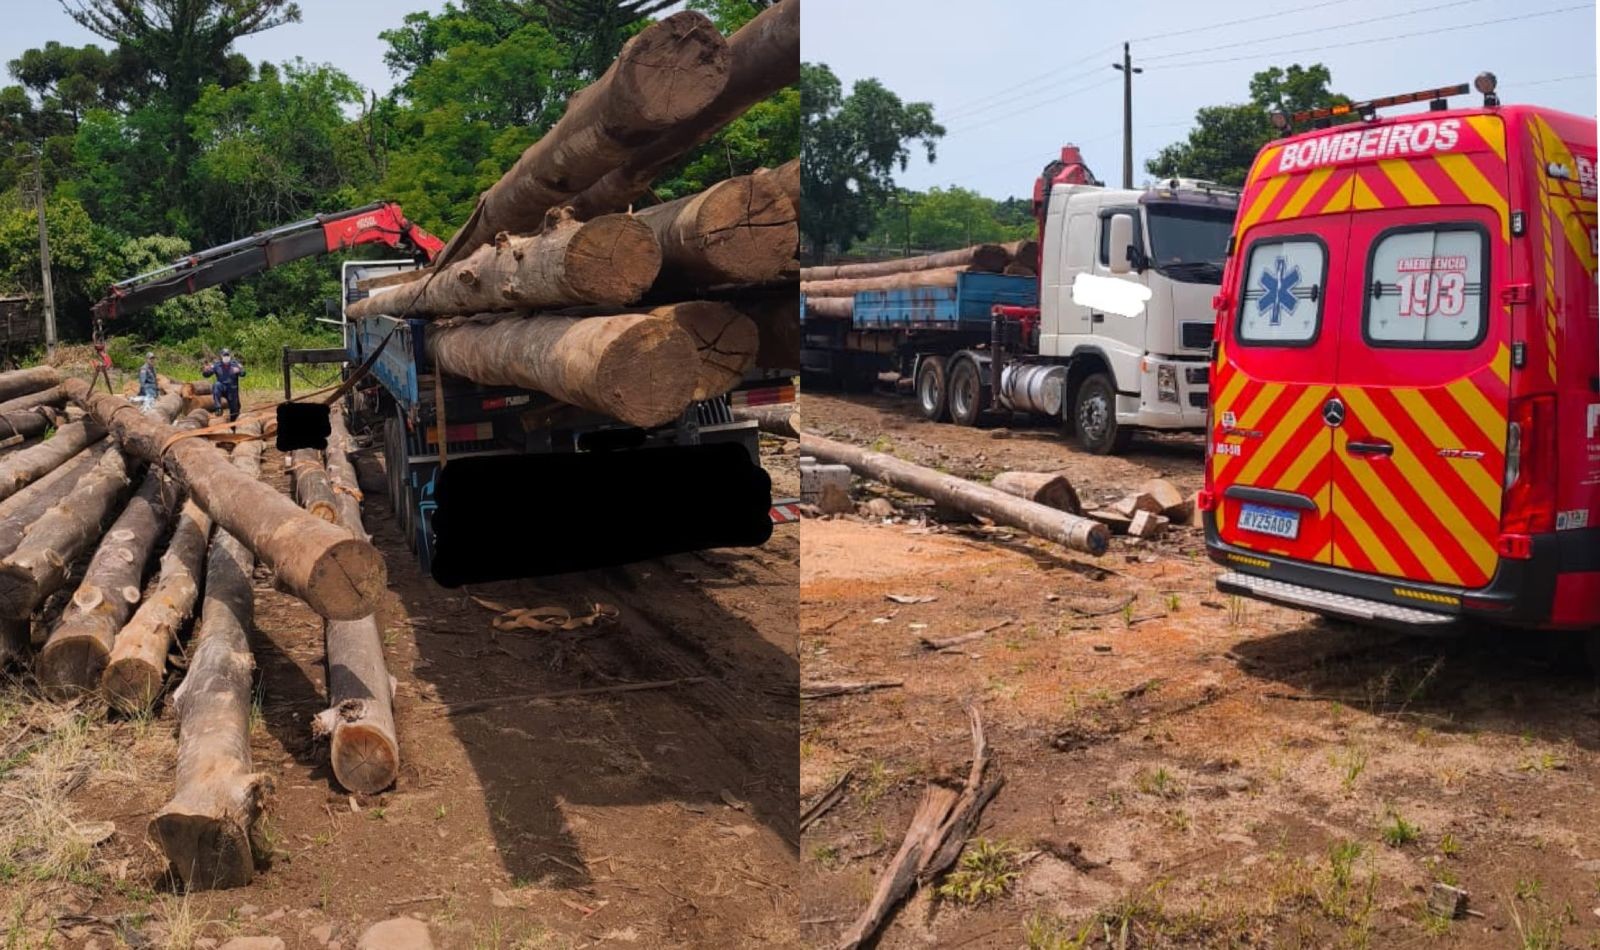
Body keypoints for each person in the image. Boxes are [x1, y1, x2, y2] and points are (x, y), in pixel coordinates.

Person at [202, 348, 245, 422]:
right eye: (224, 355)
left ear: (230, 355)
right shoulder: (217, 365)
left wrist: (240, 370)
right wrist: (205, 370)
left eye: (227, 355)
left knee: (235, 411)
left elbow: (243, 374)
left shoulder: (235, 364)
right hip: (222, 387)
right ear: (221, 356)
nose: (226, 357)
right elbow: (206, 374)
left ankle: (233, 423)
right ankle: (218, 407)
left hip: (232, 389)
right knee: (216, 385)